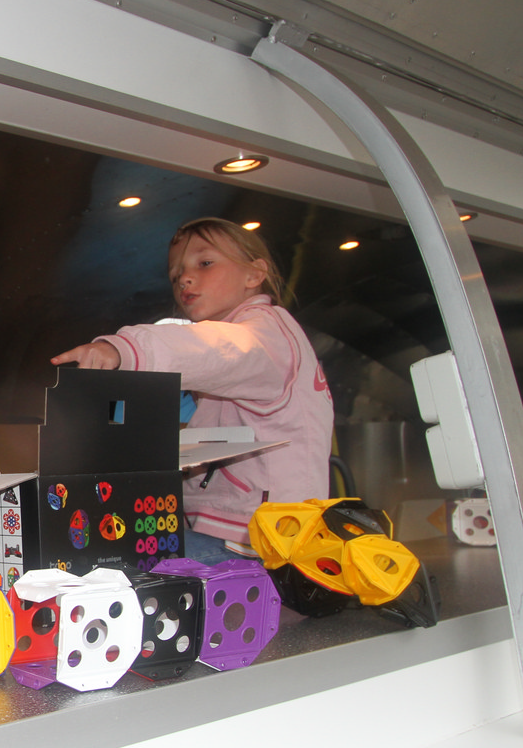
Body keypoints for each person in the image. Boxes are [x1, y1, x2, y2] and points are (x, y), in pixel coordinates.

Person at [51, 217, 332, 562]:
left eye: (205, 263)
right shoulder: (254, 344)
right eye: (175, 275)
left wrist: (124, 350)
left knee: (113, 560)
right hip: (241, 530)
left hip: (258, 541)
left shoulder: (264, 335)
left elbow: (212, 349)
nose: (184, 278)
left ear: (254, 274)